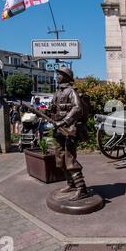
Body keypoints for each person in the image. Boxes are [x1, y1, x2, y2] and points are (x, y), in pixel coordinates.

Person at [50, 68, 89, 201]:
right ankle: (71, 184)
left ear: (66, 77)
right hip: (59, 130)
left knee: (69, 159)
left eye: (60, 74)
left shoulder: (71, 91)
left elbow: (77, 108)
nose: (57, 76)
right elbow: (55, 109)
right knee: (60, 158)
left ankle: (82, 189)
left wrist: (65, 121)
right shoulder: (57, 92)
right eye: (57, 74)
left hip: (69, 129)